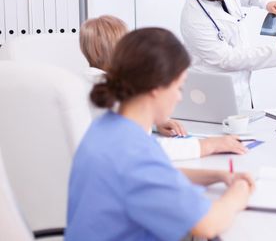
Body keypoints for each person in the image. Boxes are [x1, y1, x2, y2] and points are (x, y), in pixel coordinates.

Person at [66, 28, 255, 240]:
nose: (179, 97)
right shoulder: (134, 153)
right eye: (179, 87)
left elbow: (159, 174)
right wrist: (240, 191)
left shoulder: (108, 128)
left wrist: (218, 176)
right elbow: (207, 224)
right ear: (156, 86)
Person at [79, 15, 247, 159]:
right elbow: (144, 150)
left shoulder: (85, 81)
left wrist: (154, 123)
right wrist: (208, 145)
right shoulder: (109, 90)